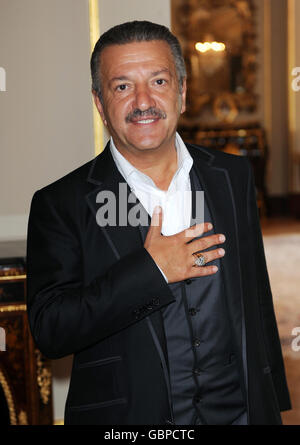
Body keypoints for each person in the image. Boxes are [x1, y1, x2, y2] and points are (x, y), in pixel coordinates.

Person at [26, 20, 291, 425]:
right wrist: (149, 271)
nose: (143, 101)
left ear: (182, 93)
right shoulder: (61, 202)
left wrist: (272, 402)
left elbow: (255, 299)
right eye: (122, 87)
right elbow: (52, 331)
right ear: (100, 103)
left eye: (159, 81)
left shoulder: (232, 175)